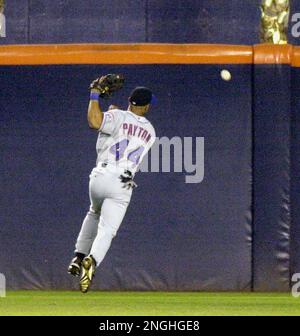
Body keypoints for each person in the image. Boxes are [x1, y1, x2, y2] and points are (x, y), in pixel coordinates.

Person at [68, 80, 156, 293]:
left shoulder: (116, 116)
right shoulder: (151, 132)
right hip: (123, 182)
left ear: (129, 101)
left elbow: (95, 121)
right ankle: (93, 260)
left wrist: (95, 96)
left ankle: (78, 257)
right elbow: (123, 126)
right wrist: (112, 112)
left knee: (93, 213)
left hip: (100, 176)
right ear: (146, 107)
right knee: (107, 230)